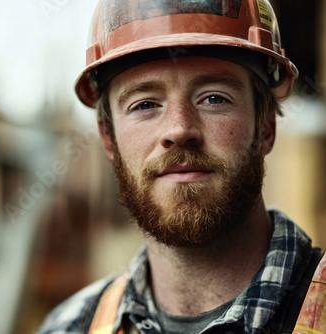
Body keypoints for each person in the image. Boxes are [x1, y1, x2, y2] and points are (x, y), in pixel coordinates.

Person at [38, 0, 325, 333]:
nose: (178, 129)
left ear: (265, 127)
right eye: (144, 104)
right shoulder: (69, 326)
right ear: (108, 139)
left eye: (213, 97)